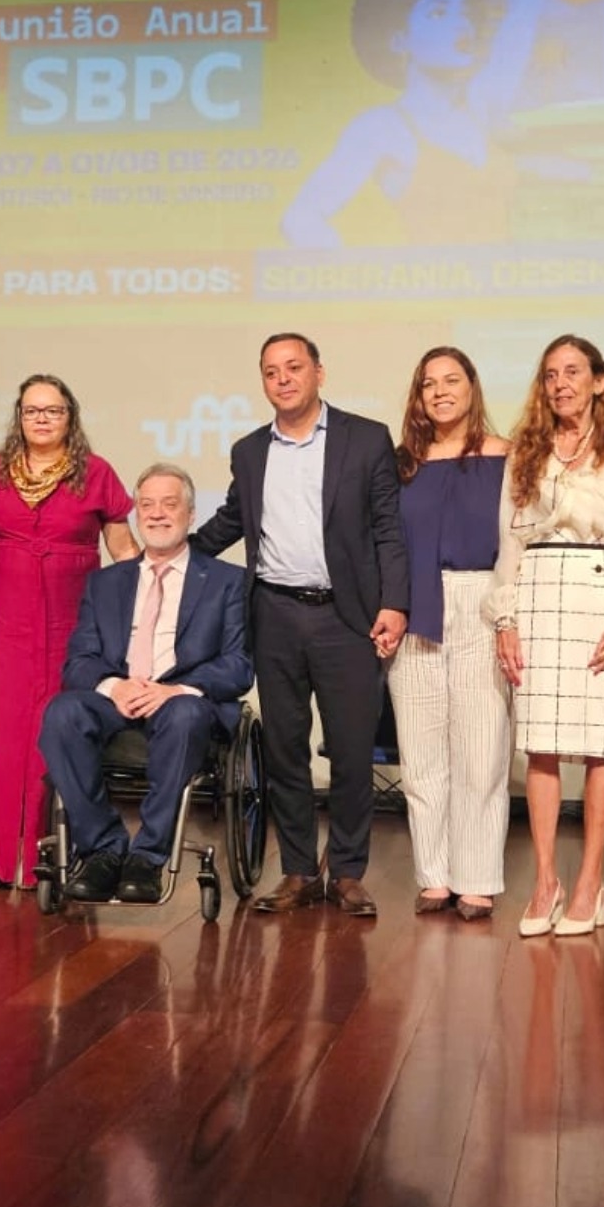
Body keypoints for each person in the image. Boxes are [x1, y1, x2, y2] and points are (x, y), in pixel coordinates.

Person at [191, 332, 409, 916]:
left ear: (318, 372)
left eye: (293, 367)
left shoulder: (366, 439)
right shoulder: (248, 451)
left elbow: (388, 528)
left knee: (352, 750)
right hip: (275, 615)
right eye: (271, 371)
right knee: (285, 749)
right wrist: (173, 553)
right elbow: (233, 520)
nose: (283, 379)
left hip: (346, 616)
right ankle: (297, 871)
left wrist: (395, 603)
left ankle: (348, 872)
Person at [280, 0, 565, 249]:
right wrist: (358, 278)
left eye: (464, 13)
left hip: (503, 287)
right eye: (438, 12)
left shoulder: (483, 104)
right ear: (399, 39)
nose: (460, 23)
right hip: (433, 290)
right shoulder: (382, 127)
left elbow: (524, 11)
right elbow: (302, 217)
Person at [489, 335, 604, 939]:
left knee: (601, 745)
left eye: (573, 372)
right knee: (541, 744)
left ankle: (589, 884)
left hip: (599, 591)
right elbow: (508, 540)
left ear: (599, 381)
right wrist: (505, 619)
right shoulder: (526, 451)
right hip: (537, 591)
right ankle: (545, 881)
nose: (561, 383)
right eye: (551, 374)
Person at [0, 374, 137, 897]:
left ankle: (44, 852)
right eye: (31, 410)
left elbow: (124, 552)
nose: (41, 419)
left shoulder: (95, 473)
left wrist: (142, 620)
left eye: (52, 410)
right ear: (18, 417)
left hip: (71, 624)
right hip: (5, 622)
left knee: (51, 735)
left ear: (69, 417)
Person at [39, 464, 253, 902]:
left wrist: (174, 690)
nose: (157, 514)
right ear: (136, 513)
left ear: (191, 514)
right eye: (147, 505)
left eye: (169, 504)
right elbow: (79, 662)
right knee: (62, 713)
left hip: (180, 701)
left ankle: (148, 856)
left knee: (185, 713)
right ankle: (102, 848)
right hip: (118, 697)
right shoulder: (105, 583)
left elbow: (238, 665)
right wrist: (114, 686)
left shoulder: (227, 582)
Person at [387, 347, 512, 921]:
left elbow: (518, 542)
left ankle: (477, 878)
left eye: (451, 380)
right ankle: (434, 876)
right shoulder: (400, 465)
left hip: (482, 599)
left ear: (472, 386)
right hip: (415, 602)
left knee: (481, 748)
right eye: (428, 383)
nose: (440, 391)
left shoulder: (508, 457)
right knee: (420, 751)